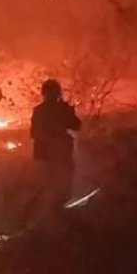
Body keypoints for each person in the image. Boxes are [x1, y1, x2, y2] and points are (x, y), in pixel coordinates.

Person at [30, 79, 82, 221]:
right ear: (57, 93)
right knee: (63, 184)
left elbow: (33, 133)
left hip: (46, 155)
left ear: (44, 93)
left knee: (49, 184)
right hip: (61, 152)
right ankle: (61, 214)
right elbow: (77, 125)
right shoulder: (63, 109)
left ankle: (51, 215)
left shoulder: (38, 111)